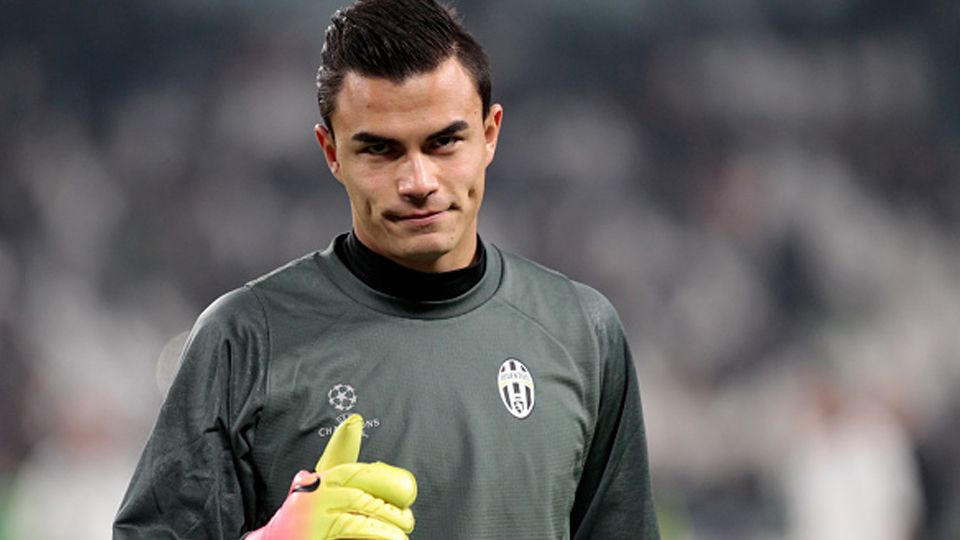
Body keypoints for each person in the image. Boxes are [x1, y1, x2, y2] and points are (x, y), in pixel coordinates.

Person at [113, 0, 660, 538]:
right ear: (331, 152)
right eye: (380, 150)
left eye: (445, 141)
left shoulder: (582, 332)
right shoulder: (244, 338)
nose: (418, 181)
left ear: (490, 134)